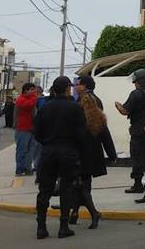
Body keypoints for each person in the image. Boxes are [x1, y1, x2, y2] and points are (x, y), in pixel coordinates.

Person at [33, 76, 85, 239]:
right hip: (67, 150)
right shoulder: (75, 107)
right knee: (66, 188)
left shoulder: (44, 108)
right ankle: (63, 226)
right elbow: (81, 133)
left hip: (48, 151)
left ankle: (41, 227)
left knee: (44, 190)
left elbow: (37, 133)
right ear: (67, 89)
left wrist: (47, 143)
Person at [71, 76, 117, 229]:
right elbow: (106, 135)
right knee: (84, 183)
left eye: (78, 85)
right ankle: (76, 211)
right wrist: (112, 155)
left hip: (79, 154)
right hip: (93, 154)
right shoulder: (98, 116)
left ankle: (82, 211)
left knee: (79, 183)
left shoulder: (78, 117)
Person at [114, 69, 145, 199]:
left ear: (138, 81)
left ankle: (137, 184)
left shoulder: (136, 94)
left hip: (138, 132)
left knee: (137, 158)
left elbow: (125, 111)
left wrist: (117, 105)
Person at [14, 83, 38, 176]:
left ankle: (28, 168)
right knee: (22, 150)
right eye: (32, 90)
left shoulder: (31, 99)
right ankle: (19, 170)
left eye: (34, 90)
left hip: (31, 128)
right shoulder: (21, 99)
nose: (34, 92)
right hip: (23, 128)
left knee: (30, 150)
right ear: (26, 90)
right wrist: (34, 96)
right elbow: (29, 105)